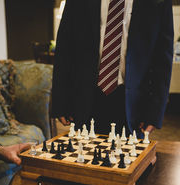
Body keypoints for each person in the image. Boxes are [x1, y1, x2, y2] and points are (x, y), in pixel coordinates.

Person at [51, 0, 174, 138]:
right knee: (84, 156)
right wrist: (59, 101)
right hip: (85, 98)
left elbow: (163, 60)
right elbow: (64, 49)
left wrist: (155, 113)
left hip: (134, 104)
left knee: (129, 158)